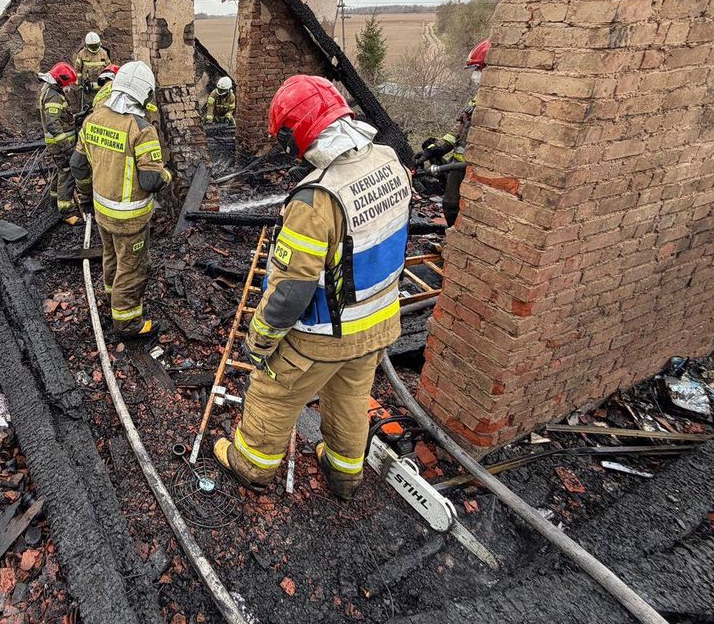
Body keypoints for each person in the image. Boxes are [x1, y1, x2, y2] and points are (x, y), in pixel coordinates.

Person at [213, 75, 411, 500]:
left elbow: (290, 294)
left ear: (299, 131)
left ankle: (251, 465)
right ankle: (344, 475)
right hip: (380, 320)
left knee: (273, 393)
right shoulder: (390, 162)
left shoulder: (315, 200)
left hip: (324, 334)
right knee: (351, 399)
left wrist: (260, 341)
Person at [71, 61, 171, 340]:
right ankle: (127, 324)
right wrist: (167, 176)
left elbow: (78, 165)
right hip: (131, 219)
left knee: (110, 256)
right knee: (132, 268)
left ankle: (112, 299)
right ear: (145, 93)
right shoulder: (141, 129)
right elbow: (150, 181)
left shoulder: (93, 119)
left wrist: (86, 196)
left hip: (102, 211)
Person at [414, 38, 488, 226]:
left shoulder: (493, 105)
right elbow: (458, 130)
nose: (476, 76)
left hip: (476, 170)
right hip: (458, 166)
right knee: (450, 204)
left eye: (479, 70)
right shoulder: (476, 100)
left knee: (466, 210)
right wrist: (434, 150)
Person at [37, 62, 81, 225]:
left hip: (57, 144)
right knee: (67, 174)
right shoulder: (53, 96)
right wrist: (67, 147)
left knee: (60, 171)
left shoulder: (50, 91)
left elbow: (61, 117)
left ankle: (54, 200)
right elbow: (53, 124)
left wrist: (74, 118)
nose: (69, 87)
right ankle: (66, 212)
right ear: (60, 80)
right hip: (60, 145)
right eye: (68, 83)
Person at [73, 31, 111, 109]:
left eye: (95, 46)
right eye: (92, 46)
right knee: (88, 108)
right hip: (88, 87)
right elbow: (78, 70)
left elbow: (109, 69)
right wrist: (80, 85)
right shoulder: (82, 54)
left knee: (101, 107)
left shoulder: (103, 53)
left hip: (101, 88)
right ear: (87, 46)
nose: (94, 48)